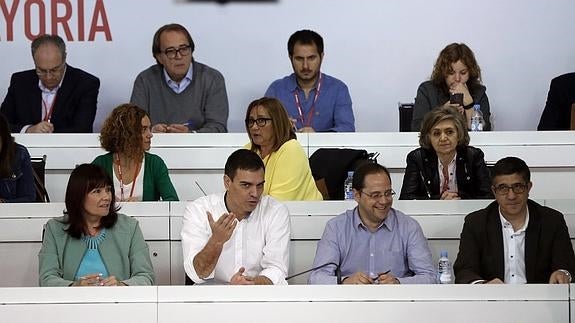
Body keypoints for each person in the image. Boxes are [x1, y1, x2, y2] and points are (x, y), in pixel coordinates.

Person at [309, 162, 436, 284]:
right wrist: (345, 281)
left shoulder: (409, 227)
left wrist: (398, 282)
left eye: (388, 193)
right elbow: (316, 278)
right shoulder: (336, 228)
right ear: (357, 195)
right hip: (350, 302)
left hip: (396, 302)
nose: (384, 201)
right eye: (375, 195)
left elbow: (429, 277)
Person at [453, 157, 575, 284]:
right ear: (494, 191)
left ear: (528, 187)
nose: (511, 196)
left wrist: (563, 273)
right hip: (492, 300)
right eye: (503, 188)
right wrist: (483, 285)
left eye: (518, 187)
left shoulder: (552, 221)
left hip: (539, 300)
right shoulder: (476, 223)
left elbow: (568, 268)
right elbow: (464, 271)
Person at [181, 149, 290, 285]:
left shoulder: (275, 211)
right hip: (211, 299)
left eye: (260, 185)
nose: (255, 193)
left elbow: (277, 269)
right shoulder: (199, 210)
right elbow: (197, 273)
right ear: (227, 182)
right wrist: (216, 242)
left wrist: (252, 284)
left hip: (258, 296)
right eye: (246, 185)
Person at [38, 164, 155, 286]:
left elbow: (146, 276)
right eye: (97, 191)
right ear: (78, 195)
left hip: (117, 302)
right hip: (71, 303)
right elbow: (46, 278)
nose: (106, 197)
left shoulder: (130, 227)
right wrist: (75, 287)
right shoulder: (55, 229)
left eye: (108, 190)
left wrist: (121, 286)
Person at [130, 23, 228, 133]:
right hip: (156, 147)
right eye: (171, 51)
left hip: (199, 149)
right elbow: (134, 125)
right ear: (159, 57)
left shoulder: (212, 79)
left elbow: (218, 127)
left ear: (191, 51)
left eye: (184, 49)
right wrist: (151, 131)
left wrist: (190, 135)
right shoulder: (145, 80)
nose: (179, 56)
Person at [0, 34, 99, 133]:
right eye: (41, 71)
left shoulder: (86, 84)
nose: (48, 77)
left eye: (54, 70)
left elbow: (82, 129)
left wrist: (47, 135)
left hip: (68, 147)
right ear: (34, 61)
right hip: (25, 147)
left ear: (64, 59)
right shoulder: (20, 82)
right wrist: (28, 130)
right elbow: (2, 124)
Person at [265, 29, 355, 132]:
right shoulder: (276, 90)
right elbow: (262, 129)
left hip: (325, 148)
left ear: (321, 57)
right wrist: (280, 128)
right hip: (287, 148)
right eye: (299, 59)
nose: (305, 66)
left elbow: (347, 130)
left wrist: (317, 137)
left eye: (311, 58)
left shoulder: (338, 89)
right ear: (290, 58)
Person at [400, 106, 493, 200]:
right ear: (428, 137)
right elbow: (406, 199)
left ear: (459, 134)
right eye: (436, 133)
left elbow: (487, 197)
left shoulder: (473, 156)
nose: (443, 138)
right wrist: (439, 201)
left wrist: (459, 200)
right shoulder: (417, 158)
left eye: (449, 132)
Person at [92, 103, 178, 202]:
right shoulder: (101, 163)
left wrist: (142, 207)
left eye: (149, 129)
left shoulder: (155, 163)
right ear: (126, 133)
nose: (150, 135)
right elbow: (86, 200)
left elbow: (172, 201)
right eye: (144, 129)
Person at [245, 97, 322, 201]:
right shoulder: (248, 150)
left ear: (277, 122)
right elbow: (234, 194)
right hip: (257, 214)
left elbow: (277, 205)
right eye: (251, 121)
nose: (254, 127)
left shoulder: (291, 149)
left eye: (261, 120)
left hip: (302, 215)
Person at [412, 43, 491, 132]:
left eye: (463, 72)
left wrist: (469, 105)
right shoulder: (427, 90)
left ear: (470, 72)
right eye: (451, 73)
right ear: (443, 72)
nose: (457, 79)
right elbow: (416, 128)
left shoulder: (478, 92)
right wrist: (442, 112)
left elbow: (486, 132)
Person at [0, 113, 36, 202]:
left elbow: (29, 198)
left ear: (4, 138)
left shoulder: (19, 154)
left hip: (11, 213)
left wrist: (4, 203)